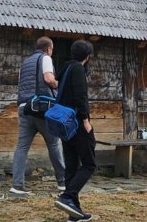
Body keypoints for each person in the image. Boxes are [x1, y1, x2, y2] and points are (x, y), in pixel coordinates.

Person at [9, 36, 66, 196]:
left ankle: (17, 185)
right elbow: (48, 78)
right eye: (52, 50)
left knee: (22, 147)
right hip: (40, 108)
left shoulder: (25, 63)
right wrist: (59, 85)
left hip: (24, 107)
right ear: (48, 49)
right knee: (54, 143)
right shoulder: (45, 58)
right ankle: (63, 182)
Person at [54, 39, 95, 222]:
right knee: (89, 164)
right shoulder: (78, 69)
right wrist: (85, 120)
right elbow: (80, 96)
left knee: (71, 166)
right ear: (87, 56)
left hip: (65, 123)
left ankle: (74, 213)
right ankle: (67, 196)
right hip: (77, 122)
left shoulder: (65, 68)